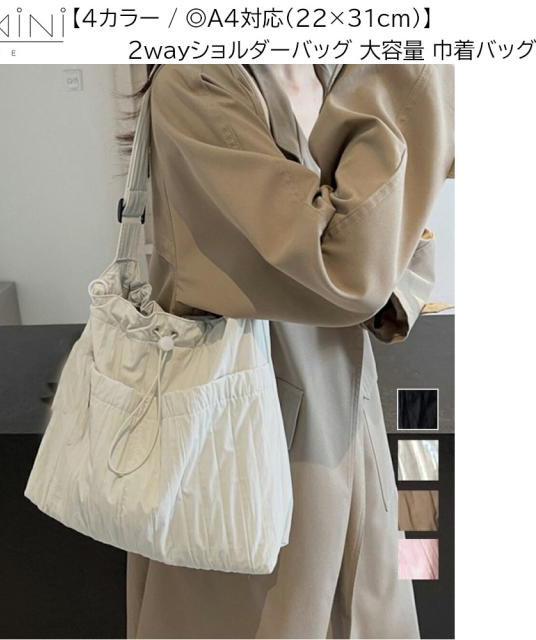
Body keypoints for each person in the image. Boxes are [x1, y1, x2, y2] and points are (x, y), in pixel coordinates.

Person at [121, 63, 454, 639]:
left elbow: (394, 251)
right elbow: (344, 267)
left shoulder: (337, 75)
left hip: (352, 422)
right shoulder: (199, 83)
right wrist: (412, 77)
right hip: (249, 437)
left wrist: (384, 273)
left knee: (370, 605)